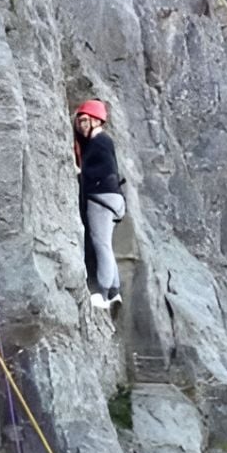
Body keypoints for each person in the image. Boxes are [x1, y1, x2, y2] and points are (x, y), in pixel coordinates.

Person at [72, 100, 125, 309]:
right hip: (114, 199)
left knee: (101, 244)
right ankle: (114, 291)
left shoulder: (99, 141)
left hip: (101, 198)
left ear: (96, 121)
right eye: (80, 121)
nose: (82, 125)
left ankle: (102, 293)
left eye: (86, 120)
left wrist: (80, 172)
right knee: (106, 245)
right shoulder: (103, 142)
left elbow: (104, 170)